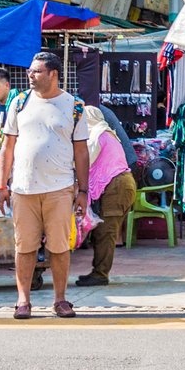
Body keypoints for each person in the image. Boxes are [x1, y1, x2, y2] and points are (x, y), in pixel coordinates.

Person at [0, 50, 89, 319]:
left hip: (60, 189)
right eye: (30, 70)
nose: (30, 75)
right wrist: (2, 185)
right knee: (24, 247)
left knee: (59, 247)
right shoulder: (19, 102)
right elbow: (7, 146)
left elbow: (82, 151)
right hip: (23, 189)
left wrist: (83, 191)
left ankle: (60, 300)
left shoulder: (75, 106)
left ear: (53, 74)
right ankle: (23, 300)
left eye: (36, 71)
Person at [77, 114, 137, 288]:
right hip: (119, 184)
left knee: (106, 232)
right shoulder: (106, 132)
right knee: (103, 231)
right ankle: (98, 271)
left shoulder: (98, 134)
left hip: (117, 185)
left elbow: (87, 161)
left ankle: (100, 275)